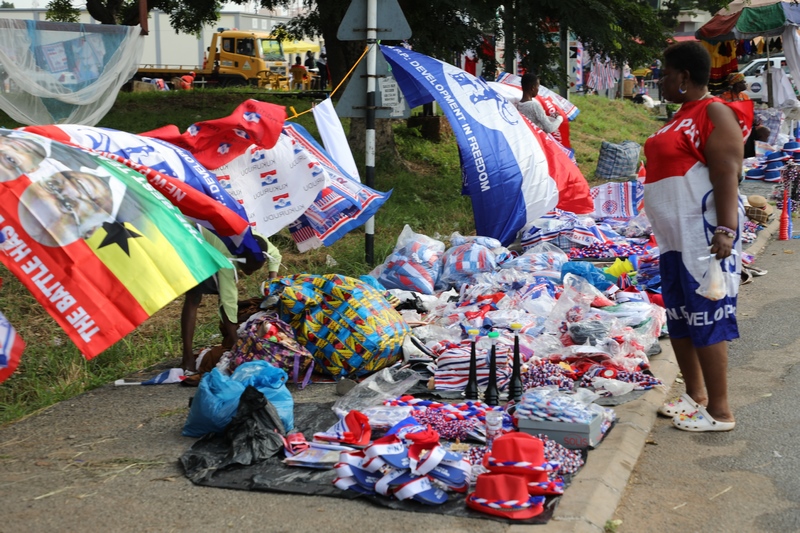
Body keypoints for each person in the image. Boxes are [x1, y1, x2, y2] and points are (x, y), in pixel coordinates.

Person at [646, 41, 753, 432]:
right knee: (679, 315)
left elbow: (726, 172)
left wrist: (727, 229)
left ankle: (721, 412)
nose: (661, 80)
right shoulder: (681, 115)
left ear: (685, 77)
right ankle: (695, 396)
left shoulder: (714, 112)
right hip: (674, 237)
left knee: (706, 315)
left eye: (666, 74)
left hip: (704, 235)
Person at [180, 227, 282, 372]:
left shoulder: (259, 244)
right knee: (194, 296)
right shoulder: (227, 258)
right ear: (239, 259)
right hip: (193, 239)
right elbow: (227, 301)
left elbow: (275, 255)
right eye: (248, 269)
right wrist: (237, 346)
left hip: (215, 233)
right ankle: (187, 356)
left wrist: (272, 284)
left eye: (255, 270)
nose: (249, 273)